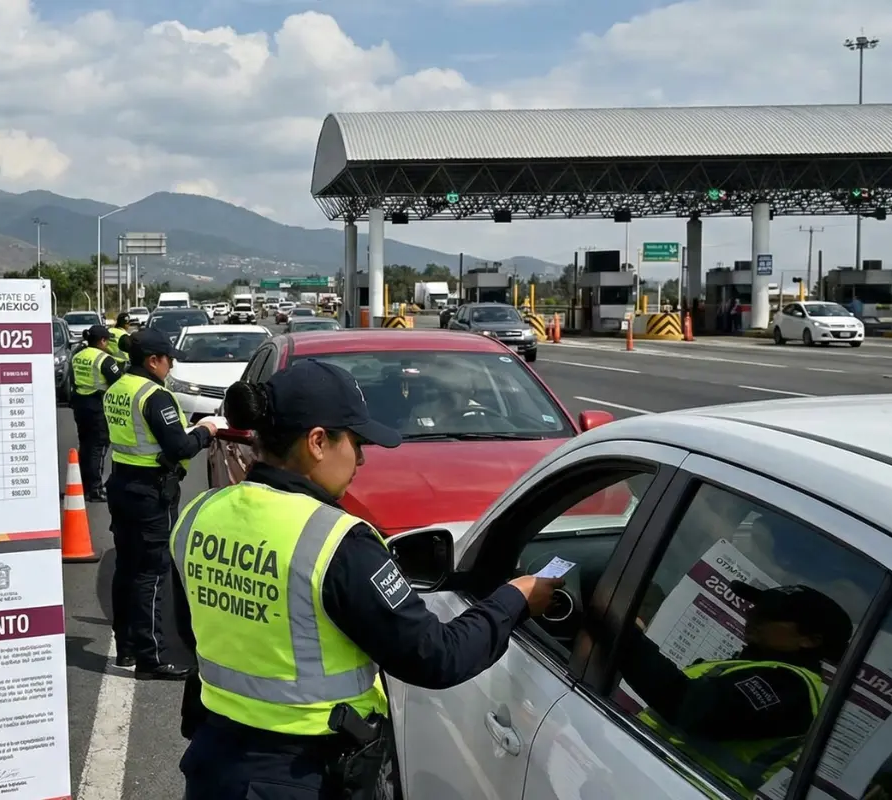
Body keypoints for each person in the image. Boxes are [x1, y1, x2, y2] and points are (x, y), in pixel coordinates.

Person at [168, 359, 565, 799]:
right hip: (302, 775)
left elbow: (192, 631)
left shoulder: (200, 514)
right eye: (355, 442)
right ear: (318, 441)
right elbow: (436, 656)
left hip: (214, 762)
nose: (359, 458)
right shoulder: (336, 541)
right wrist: (515, 599)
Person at [619, 581, 852, 797]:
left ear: (810, 640)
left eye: (770, 615)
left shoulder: (793, 690)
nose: (752, 614)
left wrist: (622, 630)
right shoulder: (758, 667)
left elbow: (690, 708)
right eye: (757, 607)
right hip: (648, 778)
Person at [104, 327, 217, 677]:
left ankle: (126, 648)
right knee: (152, 572)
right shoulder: (154, 395)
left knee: (127, 567)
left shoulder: (118, 388)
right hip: (151, 492)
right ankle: (152, 657)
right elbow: (179, 449)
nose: (170, 367)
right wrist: (206, 431)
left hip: (122, 483)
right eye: (168, 360)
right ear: (153, 361)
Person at [70, 325, 123, 501]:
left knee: (85, 444)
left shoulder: (77, 356)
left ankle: (83, 485)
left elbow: (71, 379)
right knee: (98, 447)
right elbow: (119, 383)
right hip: (97, 405)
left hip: (80, 403)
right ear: (102, 341)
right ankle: (95, 489)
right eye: (107, 340)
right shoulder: (104, 359)